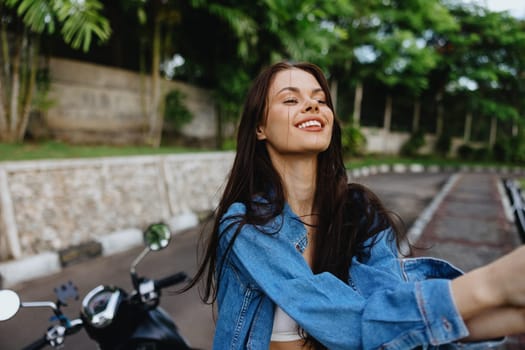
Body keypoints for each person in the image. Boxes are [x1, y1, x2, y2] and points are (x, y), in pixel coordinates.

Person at [187, 61, 525, 349]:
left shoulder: (358, 210)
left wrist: (510, 312)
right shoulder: (246, 224)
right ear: (260, 127)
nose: (312, 106)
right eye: (291, 99)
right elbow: (345, 320)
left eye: (320, 99)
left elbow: (392, 307)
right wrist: (490, 285)